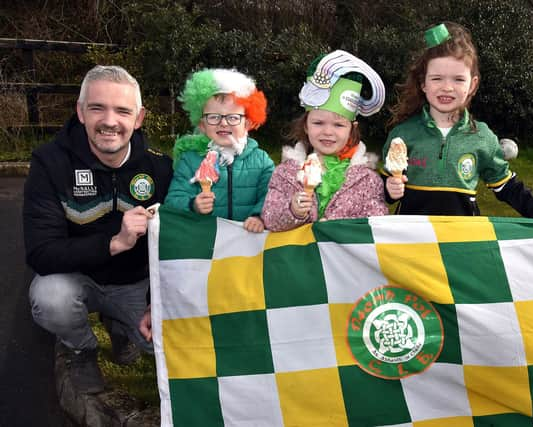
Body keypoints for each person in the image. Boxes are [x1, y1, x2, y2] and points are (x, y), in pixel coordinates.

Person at [22, 65, 173, 395]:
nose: (109, 121)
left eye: (122, 110)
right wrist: (114, 243)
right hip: (79, 279)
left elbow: (175, 249)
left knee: (166, 347)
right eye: (97, 108)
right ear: (80, 112)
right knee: (51, 298)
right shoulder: (50, 163)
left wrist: (156, 302)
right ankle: (81, 349)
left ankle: (119, 327)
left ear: (139, 117)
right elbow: (41, 253)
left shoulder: (160, 168)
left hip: (136, 284)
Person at [382, 22, 533, 234]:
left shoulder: (482, 137)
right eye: (437, 78)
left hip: (463, 244)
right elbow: (383, 185)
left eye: (458, 79)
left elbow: (507, 186)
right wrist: (388, 189)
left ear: (473, 85)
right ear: (423, 83)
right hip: (412, 242)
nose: (447, 87)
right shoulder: (403, 135)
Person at [261, 50, 388, 231]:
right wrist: (293, 211)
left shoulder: (367, 179)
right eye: (318, 123)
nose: (328, 132)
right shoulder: (286, 174)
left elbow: (377, 225)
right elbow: (270, 219)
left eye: (338, 125)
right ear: (306, 126)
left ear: (352, 128)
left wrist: (342, 229)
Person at [164, 68, 274, 233]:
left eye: (233, 117)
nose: (223, 123)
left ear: (248, 124)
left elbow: (272, 196)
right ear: (202, 124)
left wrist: (259, 216)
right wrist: (193, 204)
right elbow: (173, 200)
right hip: (204, 244)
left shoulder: (262, 161)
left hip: (248, 247)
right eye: (214, 117)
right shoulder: (190, 160)